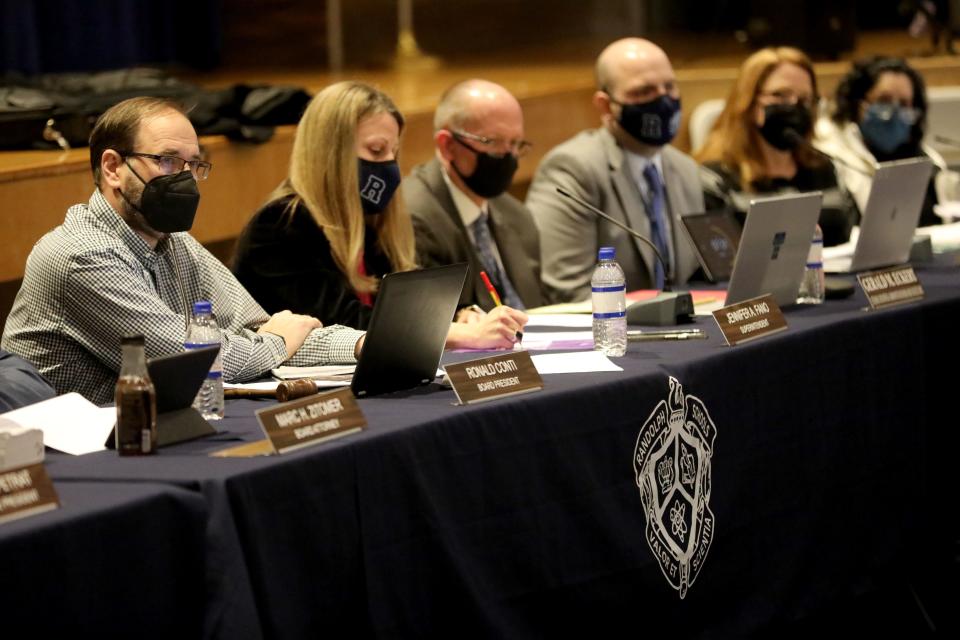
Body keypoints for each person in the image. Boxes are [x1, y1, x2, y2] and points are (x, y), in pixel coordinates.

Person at [1, 97, 363, 406]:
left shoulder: (175, 242)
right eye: (168, 161)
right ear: (112, 167)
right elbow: (195, 362)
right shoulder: (78, 256)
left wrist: (365, 344)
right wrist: (277, 341)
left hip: (161, 433)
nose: (185, 179)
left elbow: (262, 330)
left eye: (193, 164)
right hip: (76, 459)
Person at [233, 81, 525, 349]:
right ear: (331, 153)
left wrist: (462, 315)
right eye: (376, 150)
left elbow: (403, 307)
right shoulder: (280, 227)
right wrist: (456, 335)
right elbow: (343, 323)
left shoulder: (369, 223)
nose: (388, 165)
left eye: (393, 153)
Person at [525, 37, 703, 303]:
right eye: (643, 92)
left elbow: (693, 276)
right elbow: (569, 291)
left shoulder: (685, 168)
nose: (663, 101)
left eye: (669, 87)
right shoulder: (572, 169)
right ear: (606, 105)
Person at [403, 79, 545, 312]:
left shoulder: (517, 216)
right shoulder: (414, 218)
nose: (508, 157)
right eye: (492, 142)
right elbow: (432, 323)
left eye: (515, 143)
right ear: (447, 145)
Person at [696, 46, 859, 247]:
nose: (794, 106)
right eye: (781, 95)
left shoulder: (823, 168)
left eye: (805, 99)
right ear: (748, 102)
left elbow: (847, 239)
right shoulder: (715, 178)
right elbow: (719, 261)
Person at [815, 55, 959, 228]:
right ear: (858, 104)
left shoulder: (929, 162)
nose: (895, 111)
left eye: (905, 103)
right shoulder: (833, 158)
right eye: (884, 100)